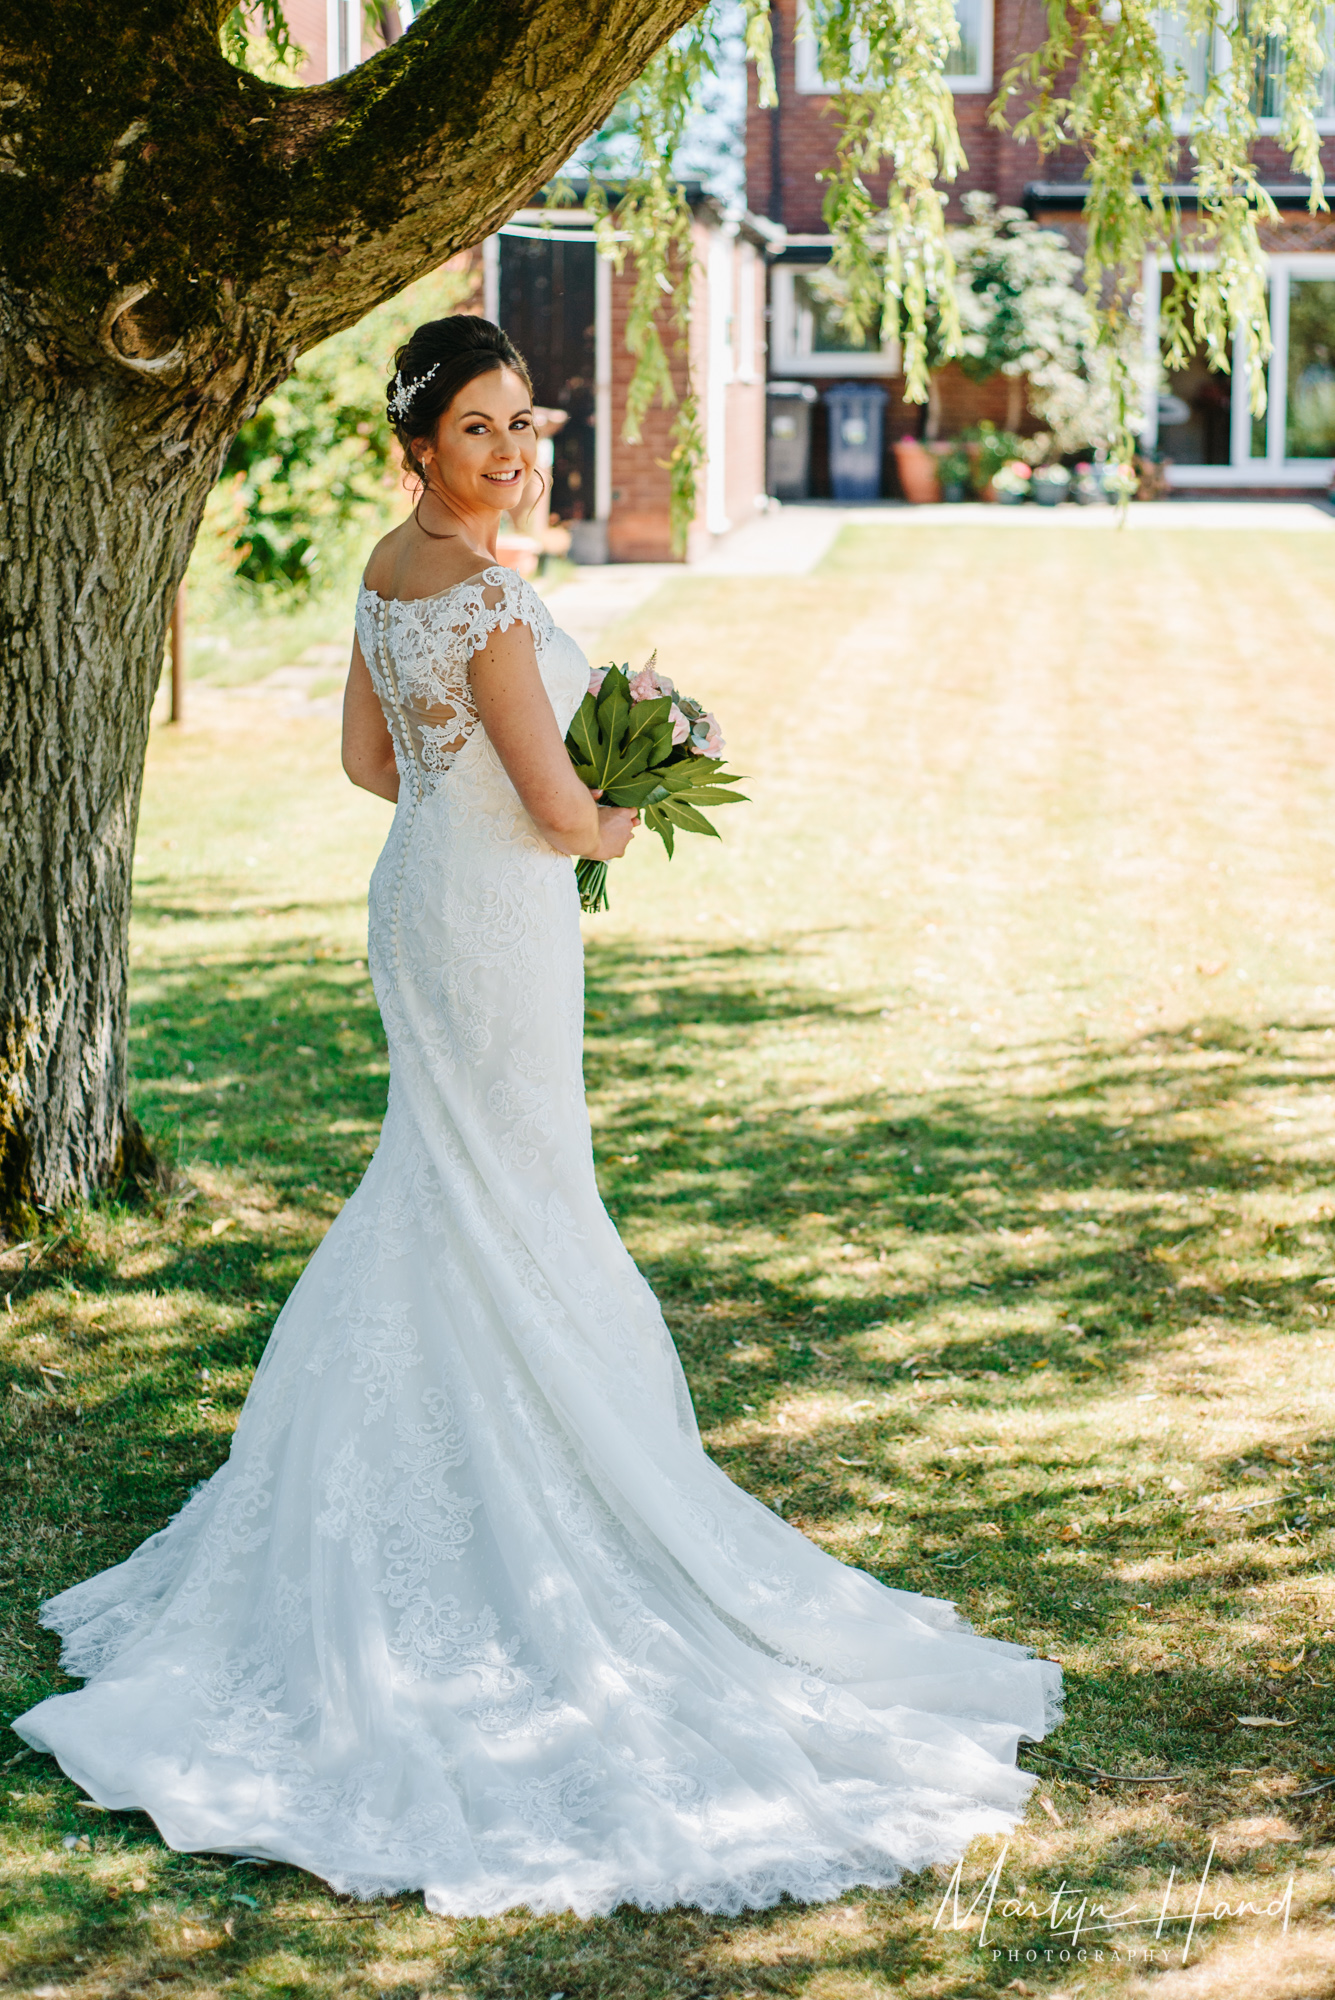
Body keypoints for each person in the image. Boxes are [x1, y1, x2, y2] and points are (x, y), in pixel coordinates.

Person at [13, 316, 1060, 1917]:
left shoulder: (385, 566)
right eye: (479, 431)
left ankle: (393, 1458)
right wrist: (631, 800)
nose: (511, 455)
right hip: (497, 922)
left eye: (525, 427)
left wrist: (493, 804)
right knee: (510, 1193)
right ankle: (522, 1487)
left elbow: (376, 765)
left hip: (426, 891)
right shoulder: (491, 597)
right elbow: (569, 812)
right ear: (417, 442)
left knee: (451, 1184)